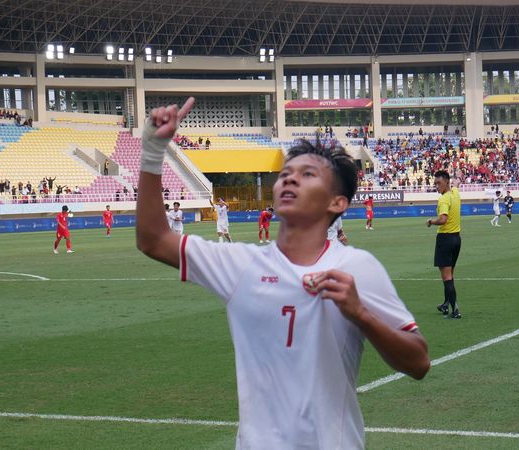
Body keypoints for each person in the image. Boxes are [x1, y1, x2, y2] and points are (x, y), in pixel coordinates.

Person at [135, 100, 429, 449]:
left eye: (308, 174)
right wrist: (153, 151)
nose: (290, 178)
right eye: (286, 173)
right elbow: (154, 239)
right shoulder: (241, 266)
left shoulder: (357, 268)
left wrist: (361, 314)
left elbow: (419, 362)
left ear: (337, 203)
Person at [427, 171, 461, 319]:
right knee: (450, 274)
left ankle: (455, 310)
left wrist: (431, 221)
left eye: (439, 183)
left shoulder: (444, 199)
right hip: (456, 239)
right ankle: (446, 304)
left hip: (445, 239)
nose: (437, 186)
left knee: (447, 277)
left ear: (446, 182)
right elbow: (457, 183)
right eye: (435, 183)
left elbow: (443, 219)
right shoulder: (455, 192)